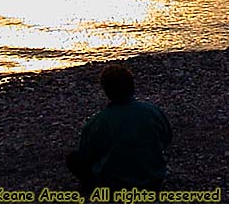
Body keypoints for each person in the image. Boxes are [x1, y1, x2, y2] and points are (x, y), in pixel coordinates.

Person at [67, 64, 172, 193]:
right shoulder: (153, 111)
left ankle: (90, 186)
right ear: (132, 86)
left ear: (106, 91)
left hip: (116, 184)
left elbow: (86, 154)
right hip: (153, 180)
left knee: (73, 159)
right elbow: (166, 138)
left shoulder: (97, 122)